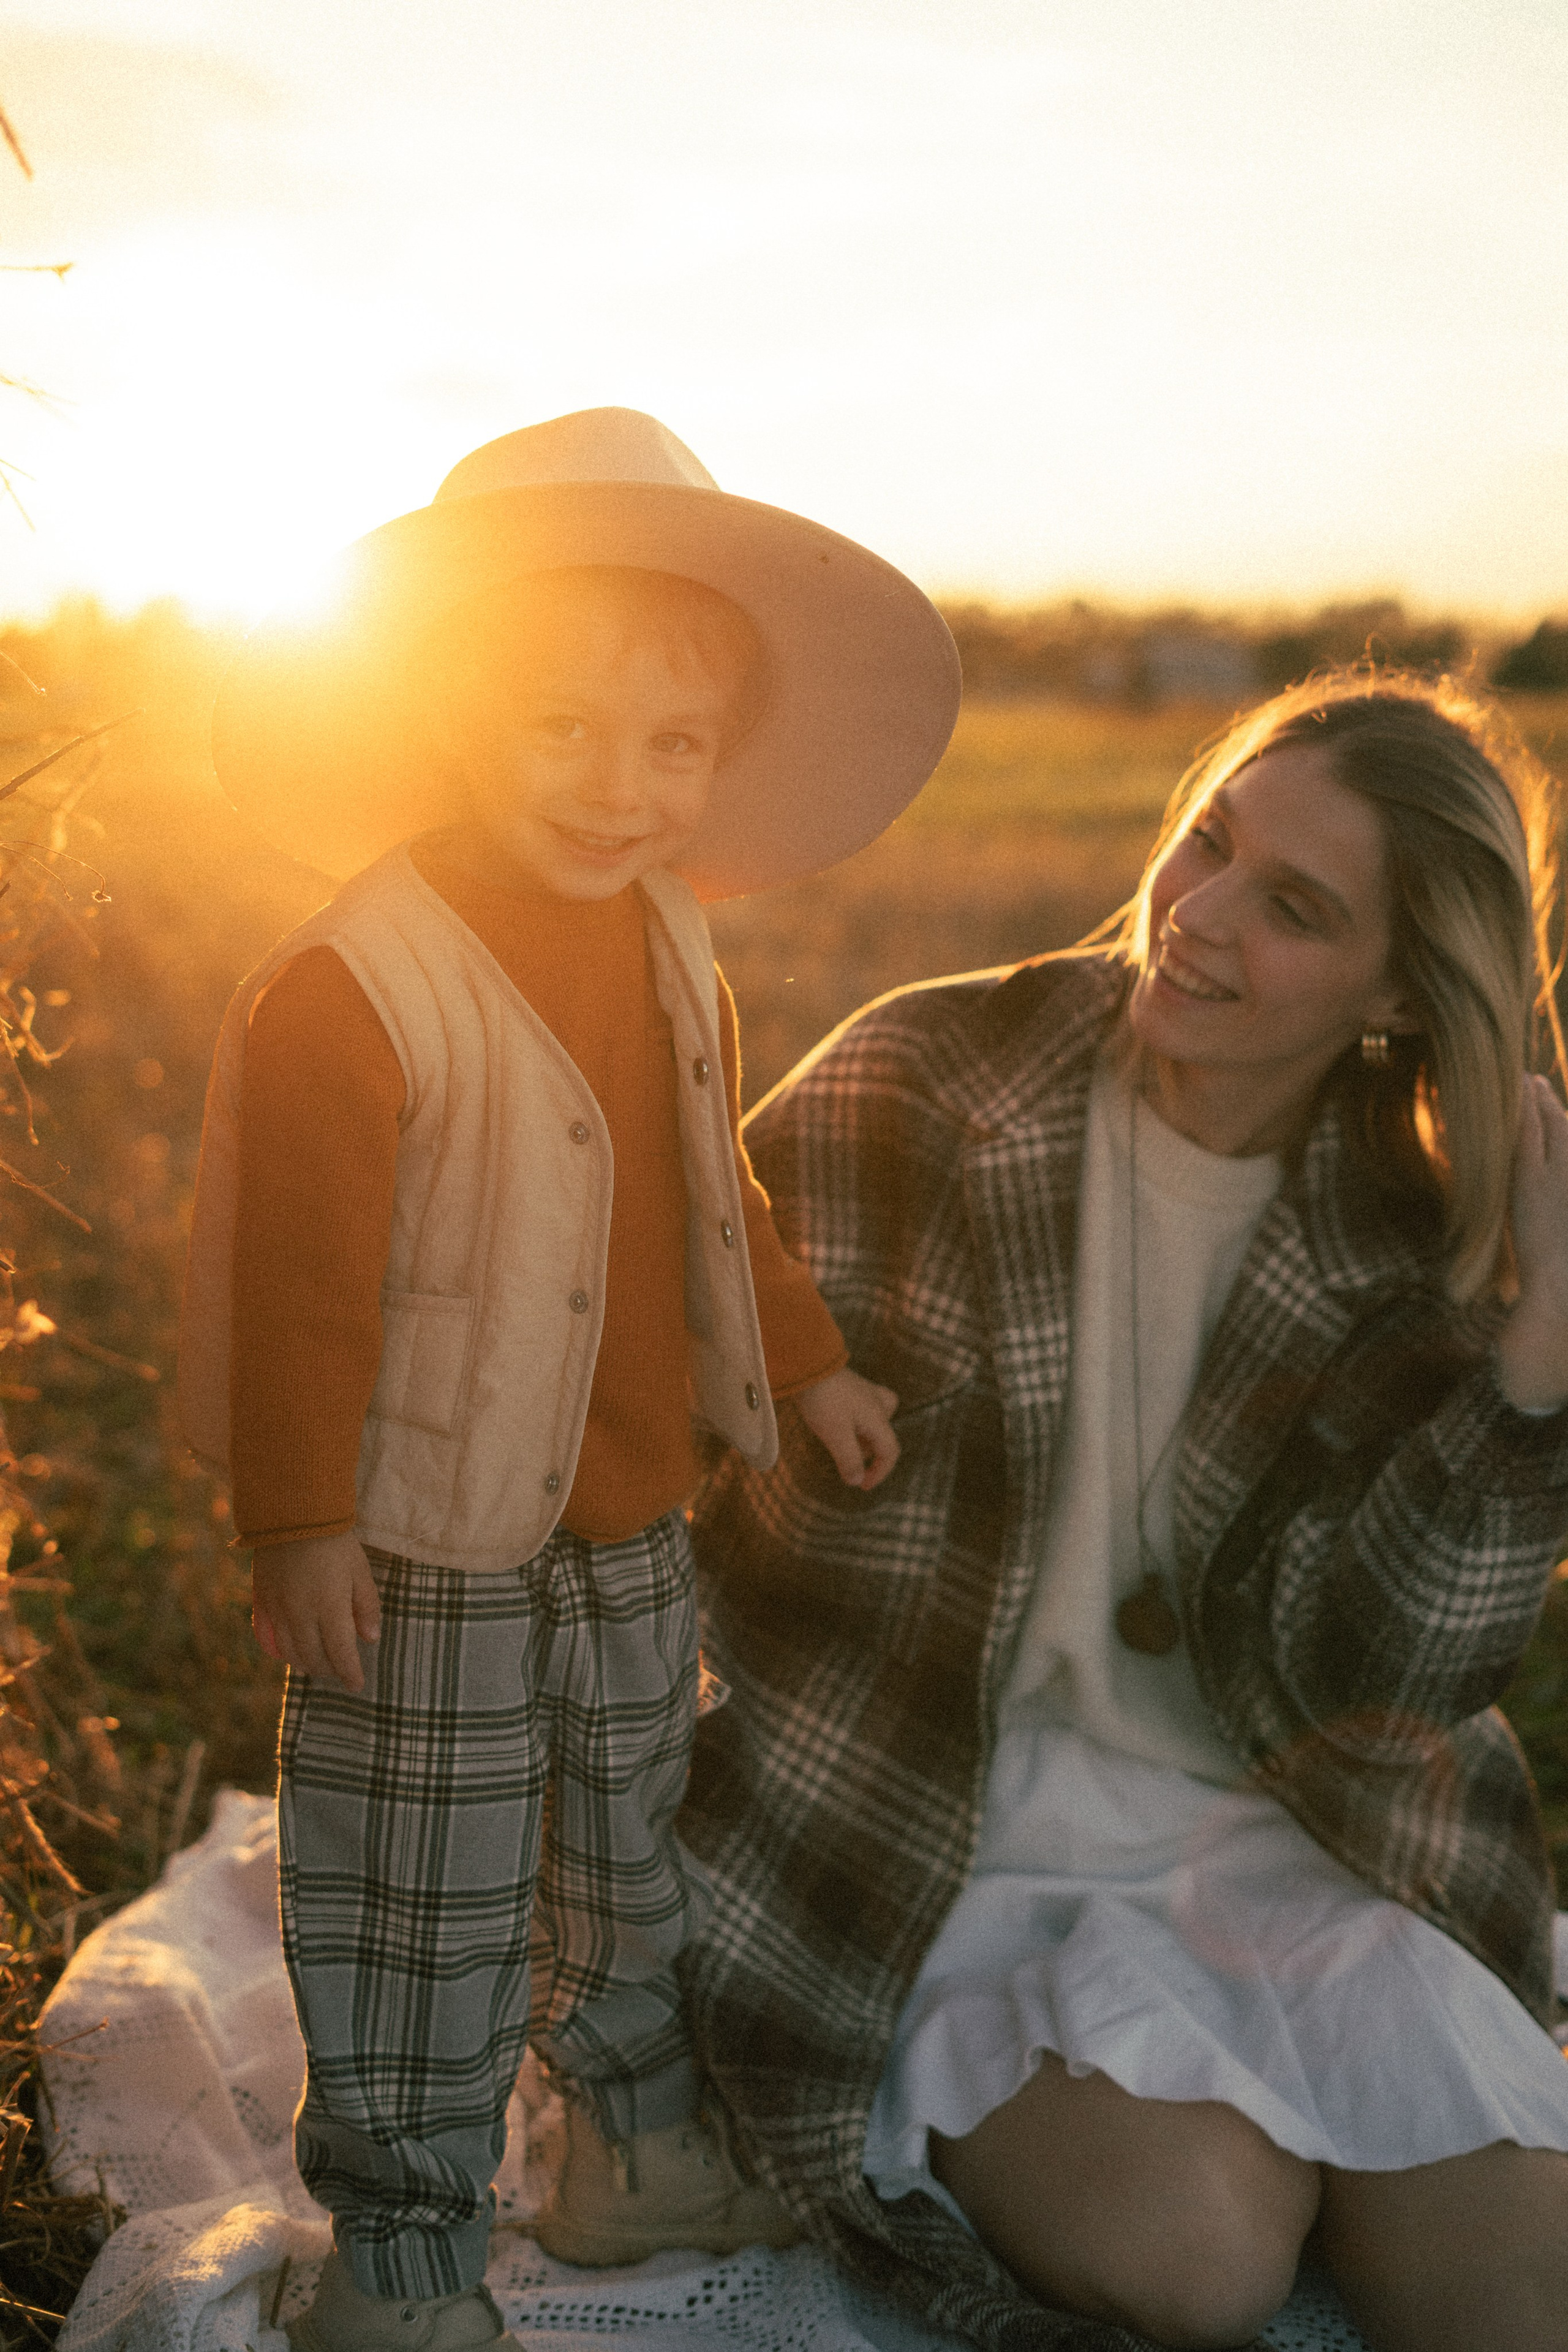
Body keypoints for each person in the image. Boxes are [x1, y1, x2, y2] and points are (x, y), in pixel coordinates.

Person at [177, 409, 960, 2352]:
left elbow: (717, 1186)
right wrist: (298, 1516)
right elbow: (299, 1289)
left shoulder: (667, 931)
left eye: (670, 746)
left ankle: (624, 2149)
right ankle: (403, 2269)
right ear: (449, 708)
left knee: (628, 1844)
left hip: (628, 1510)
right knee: (419, 1899)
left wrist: (809, 1361)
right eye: (560, 729)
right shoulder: (356, 982)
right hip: (423, 1532)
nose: (620, 789)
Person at [680, 669, 1568, 2352]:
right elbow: (685, 1452)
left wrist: (1539, 1357)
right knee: (1199, 2263)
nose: (1201, 916)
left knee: (1528, 2292)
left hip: (1290, 1837)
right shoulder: (926, 1081)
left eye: (1294, 908)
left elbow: (1388, 1668)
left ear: (1397, 997)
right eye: (1209, 842)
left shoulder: (1412, 1218)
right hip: (932, 1818)